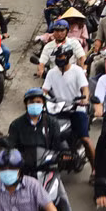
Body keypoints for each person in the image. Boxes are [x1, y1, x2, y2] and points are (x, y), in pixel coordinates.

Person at [5, 88, 77, 211]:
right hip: (25, 171)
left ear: (43, 103)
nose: (35, 105)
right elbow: (11, 146)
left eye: (38, 102)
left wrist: (66, 154)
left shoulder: (51, 122)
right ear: (26, 104)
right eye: (31, 102)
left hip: (49, 169)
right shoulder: (16, 125)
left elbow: (58, 143)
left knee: (63, 198)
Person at [42, 47, 96, 177]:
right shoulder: (51, 73)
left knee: (85, 139)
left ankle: (95, 169)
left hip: (76, 109)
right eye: (57, 57)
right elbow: (44, 90)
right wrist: (40, 100)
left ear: (68, 56)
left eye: (62, 56)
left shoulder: (77, 71)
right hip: (57, 110)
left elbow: (85, 89)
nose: (59, 59)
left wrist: (85, 99)